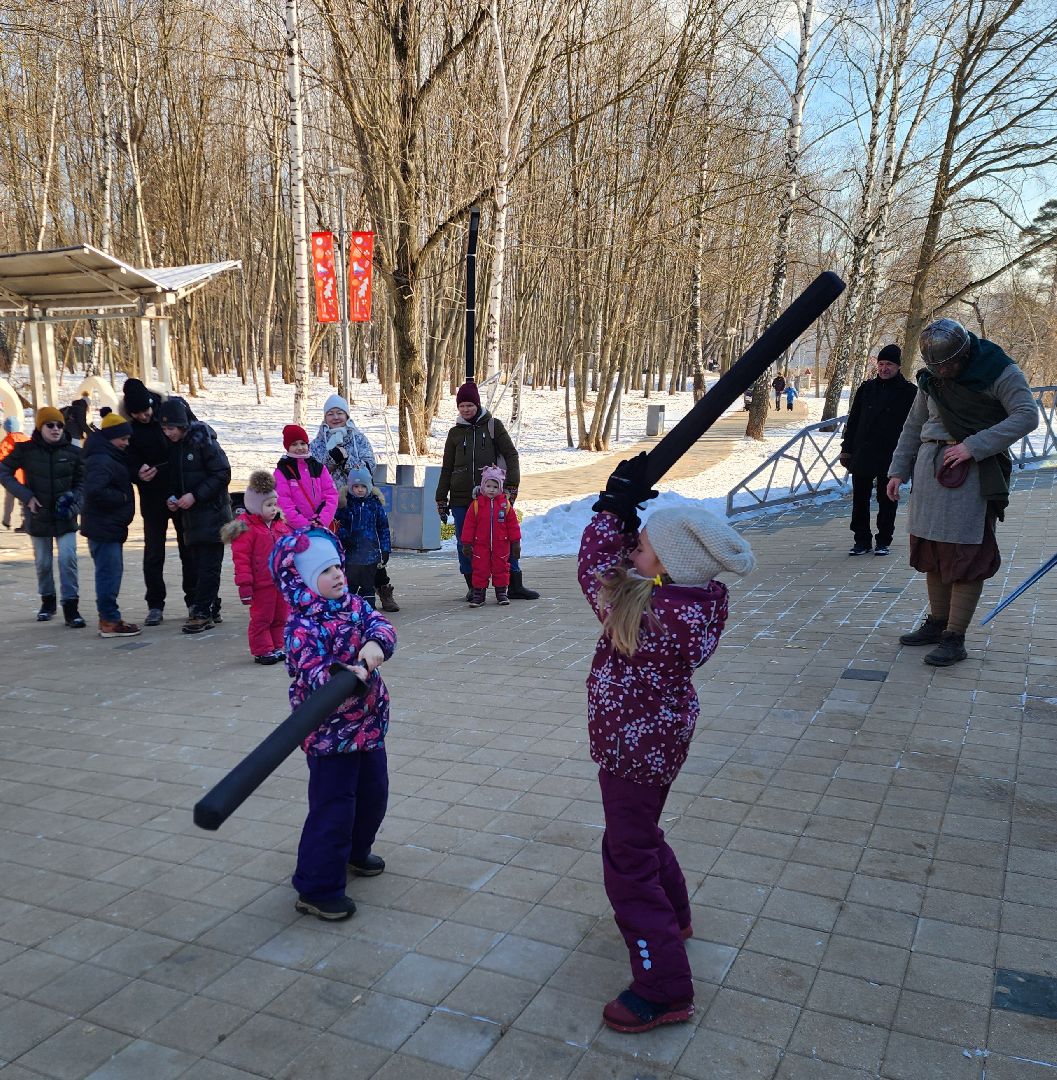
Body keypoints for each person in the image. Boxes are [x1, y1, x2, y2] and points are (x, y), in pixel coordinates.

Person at [580, 455, 755, 1033]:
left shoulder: (651, 617)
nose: (633, 551)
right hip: (652, 744)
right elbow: (628, 566)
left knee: (625, 860)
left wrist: (610, 511)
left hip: (633, 750)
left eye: (643, 547)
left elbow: (597, 574)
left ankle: (663, 986)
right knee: (642, 834)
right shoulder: (691, 600)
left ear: (666, 567)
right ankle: (674, 917)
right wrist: (631, 520)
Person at [887, 318, 1039, 666]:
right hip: (930, 469)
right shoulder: (932, 379)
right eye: (936, 366)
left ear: (964, 352)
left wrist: (975, 445)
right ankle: (937, 623)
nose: (943, 371)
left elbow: (1027, 415)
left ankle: (955, 636)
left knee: (965, 554)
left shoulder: (998, 369)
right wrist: (897, 470)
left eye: (948, 364)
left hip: (971, 471)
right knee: (933, 549)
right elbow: (914, 425)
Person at [270, 528, 397, 920]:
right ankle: (316, 887)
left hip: (369, 726)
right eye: (325, 570)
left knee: (373, 795)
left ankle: (356, 852)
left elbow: (382, 626)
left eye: (337, 566)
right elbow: (310, 673)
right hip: (329, 737)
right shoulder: (301, 628)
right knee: (333, 808)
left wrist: (376, 646)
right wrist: (342, 675)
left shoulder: (354, 606)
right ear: (306, 581)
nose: (338, 574)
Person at [434, 380, 539, 601]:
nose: (466, 409)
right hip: (462, 498)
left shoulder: (493, 426)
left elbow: (511, 455)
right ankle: (474, 587)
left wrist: (511, 486)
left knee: (503, 539)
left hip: (492, 496)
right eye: (462, 406)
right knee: (466, 542)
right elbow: (447, 467)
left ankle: (514, 584)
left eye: (469, 405)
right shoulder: (454, 433)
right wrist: (441, 498)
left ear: (478, 405)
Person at [310, 394, 399, 613]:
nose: (335, 417)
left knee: (367, 546)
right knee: (340, 550)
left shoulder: (358, 439)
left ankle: (382, 586)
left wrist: (346, 460)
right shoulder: (318, 442)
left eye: (339, 413)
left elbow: (368, 467)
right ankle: (338, 592)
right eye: (330, 414)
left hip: (358, 500)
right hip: (332, 503)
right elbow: (313, 472)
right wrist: (331, 460)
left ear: (346, 415)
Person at [120, 377, 198, 627]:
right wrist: (137, 472)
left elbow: (189, 444)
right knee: (154, 552)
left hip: (179, 492)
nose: (143, 416)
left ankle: (193, 599)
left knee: (188, 548)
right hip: (152, 496)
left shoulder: (170, 412)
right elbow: (126, 458)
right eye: (137, 413)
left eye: (146, 411)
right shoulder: (130, 427)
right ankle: (155, 604)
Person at [0, 406, 85, 626]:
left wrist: (73, 500)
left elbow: (84, 484)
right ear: (40, 426)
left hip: (65, 517)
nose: (56, 429)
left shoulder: (73, 452)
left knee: (68, 560)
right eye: (50, 425)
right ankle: (48, 602)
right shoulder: (26, 450)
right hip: (38, 517)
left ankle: (71, 607)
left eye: (59, 425)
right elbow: (4, 471)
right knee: (43, 563)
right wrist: (25, 496)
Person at [158, 399, 233, 635]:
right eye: (164, 429)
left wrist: (195, 496)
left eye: (171, 428)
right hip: (190, 518)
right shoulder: (175, 446)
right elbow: (174, 478)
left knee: (209, 565)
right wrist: (172, 497)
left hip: (213, 514)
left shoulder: (204, 441)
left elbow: (222, 473)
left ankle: (201, 612)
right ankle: (211, 606)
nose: (168, 433)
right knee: (197, 565)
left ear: (183, 425)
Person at [839, 343, 917, 557]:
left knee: (887, 498)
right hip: (863, 451)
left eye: (889, 364)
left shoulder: (910, 392)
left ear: (898, 366)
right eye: (881, 364)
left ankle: (884, 540)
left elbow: (915, 426)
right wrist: (846, 449)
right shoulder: (866, 388)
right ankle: (861, 540)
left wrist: (911, 456)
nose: (884, 368)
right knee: (860, 500)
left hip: (891, 453)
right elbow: (853, 421)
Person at [222, 471, 291, 665]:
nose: (273, 509)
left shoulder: (280, 526)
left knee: (280, 616)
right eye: (268, 505)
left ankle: (278, 646)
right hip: (260, 585)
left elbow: (289, 550)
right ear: (254, 506)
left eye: (274, 504)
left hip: (279, 582)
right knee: (262, 618)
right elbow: (241, 559)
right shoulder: (246, 528)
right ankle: (262, 650)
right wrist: (245, 586)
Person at [80, 413, 140, 637]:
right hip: (104, 527)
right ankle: (109, 621)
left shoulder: (108, 455)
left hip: (108, 526)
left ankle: (109, 617)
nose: (126, 443)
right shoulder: (102, 458)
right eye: (122, 438)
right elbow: (95, 491)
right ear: (111, 437)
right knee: (109, 574)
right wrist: (123, 498)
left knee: (109, 573)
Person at [461, 464, 521, 607]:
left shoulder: (505, 505)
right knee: (480, 569)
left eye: (495, 487)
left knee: (501, 567)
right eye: (488, 486)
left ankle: (501, 593)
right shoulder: (476, 505)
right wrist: (466, 543)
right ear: (483, 487)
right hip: (481, 544)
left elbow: (513, 525)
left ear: (500, 488)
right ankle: (478, 594)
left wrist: (516, 543)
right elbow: (469, 525)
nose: (491, 490)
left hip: (501, 544)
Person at [334, 465, 391, 608]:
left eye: (363, 486)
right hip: (351, 554)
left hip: (370, 554)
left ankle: (368, 610)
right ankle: (349, 608)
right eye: (356, 486)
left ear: (369, 487)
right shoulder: (345, 504)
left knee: (368, 585)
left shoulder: (374, 504)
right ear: (350, 487)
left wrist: (385, 549)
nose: (360, 489)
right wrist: (344, 538)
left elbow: (383, 528)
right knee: (350, 584)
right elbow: (338, 525)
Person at [275, 424, 338, 530]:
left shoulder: (319, 468)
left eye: (303, 443)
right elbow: (284, 503)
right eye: (294, 444)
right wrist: (304, 525)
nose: (299, 447)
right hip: (293, 530)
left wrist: (321, 521)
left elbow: (331, 495)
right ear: (287, 447)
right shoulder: (282, 471)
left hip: (320, 527)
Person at [0, 416, 30, 530]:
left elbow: (2, 457)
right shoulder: (26, 438)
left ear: (7, 429)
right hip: (26, 475)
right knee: (24, 499)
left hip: (11, 476)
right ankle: (26, 521)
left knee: (9, 499)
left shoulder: (7, 441)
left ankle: (6, 520)